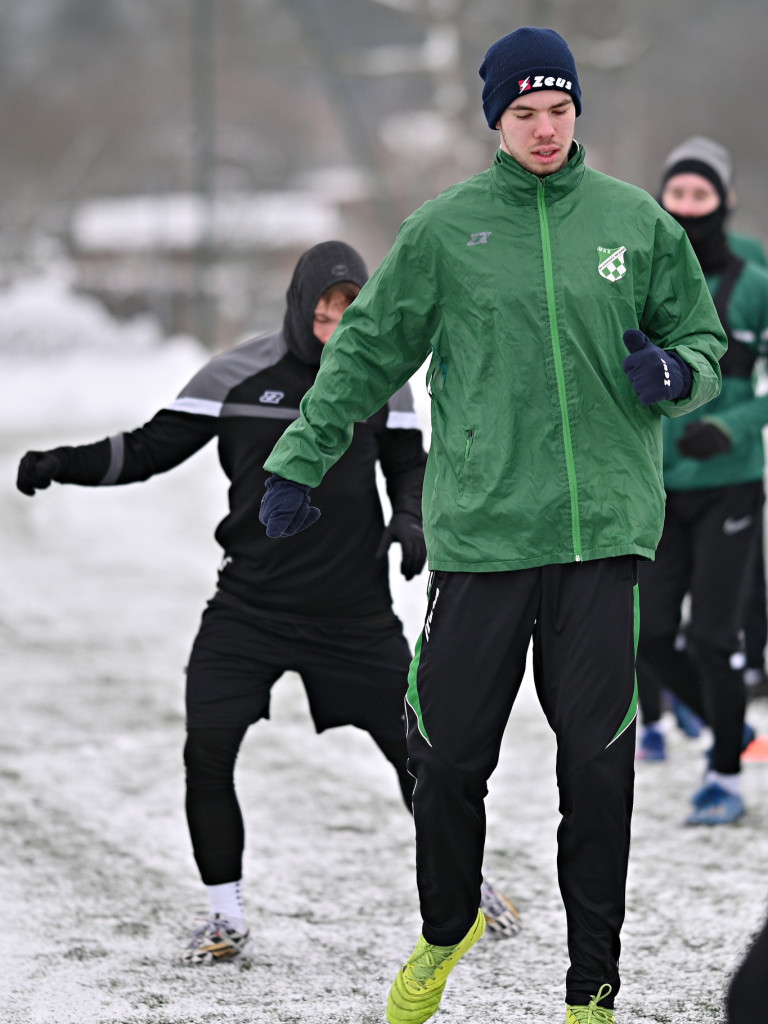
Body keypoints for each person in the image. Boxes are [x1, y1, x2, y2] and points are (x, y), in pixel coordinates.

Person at [256, 28, 725, 1024]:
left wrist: (676, 373)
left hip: (602, 538)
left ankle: (591, 987)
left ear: (575, 114)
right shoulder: (445, 231)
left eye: (558, 111)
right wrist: (297, 460)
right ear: (497, 122)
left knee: (597, 773)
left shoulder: (636, 224)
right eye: (525, 114)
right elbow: (364, 355)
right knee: (448, 759)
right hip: (483, 542)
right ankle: (444, 927)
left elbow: (702, 338)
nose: (546, 129)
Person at [15, 240, 521, 966]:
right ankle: (226, 917)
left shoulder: (384, 380)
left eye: (347, 316)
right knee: (208, 750)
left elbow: (410, 467)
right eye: (321, 314)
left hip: (355, 616)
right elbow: (150, 448)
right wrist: (62, 463)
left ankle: (468, 888)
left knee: (427, 761)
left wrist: (410, 523)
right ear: (297, 308)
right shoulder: (237, 375)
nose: (332, 328)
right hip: (248, 607)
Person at [634, 138, 768, 821]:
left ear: (725, 199)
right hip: (657, 483)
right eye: (676, 195)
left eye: (700, 195)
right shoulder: (641, 271)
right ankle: (728, 725)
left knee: (715, 639)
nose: (686, 209)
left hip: (731, 484)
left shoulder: (755, 277)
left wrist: (734, 427)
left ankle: (724, 778)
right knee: (649, 633)